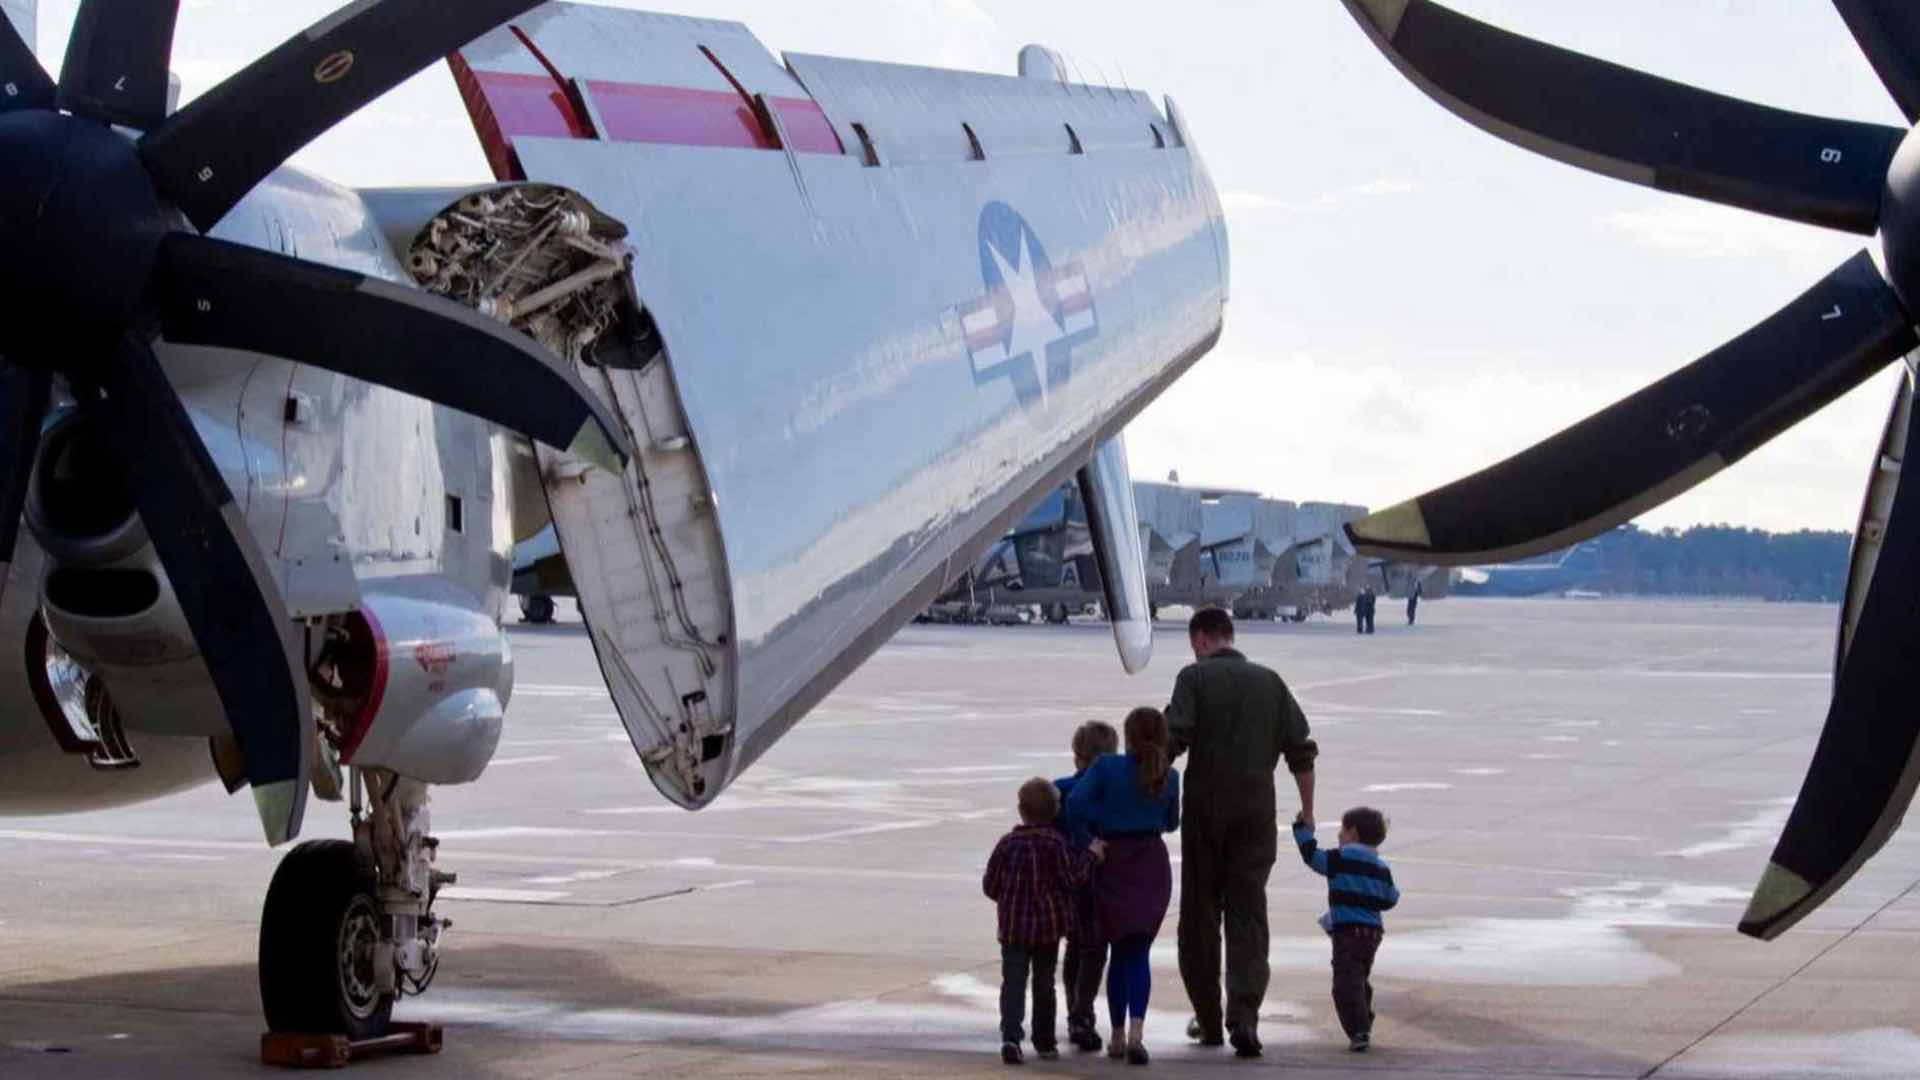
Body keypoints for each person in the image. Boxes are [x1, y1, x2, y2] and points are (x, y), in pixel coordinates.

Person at [1166, 607, 1317, 1059]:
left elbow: (1172, 740)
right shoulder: (1271, 682)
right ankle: (1245, 1017)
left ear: (1201, 639)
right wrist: (1308, 813)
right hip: (1256, 815)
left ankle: (1210, 1021)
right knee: (1248, 916)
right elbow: (1302, 753)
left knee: (1200, 918)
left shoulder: (1193, 679)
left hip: (1205, 816)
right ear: (1231, 637)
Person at [1064, 707, 1180, 1065]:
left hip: (1112, 861)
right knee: (1139, 955)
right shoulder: (1170, 775)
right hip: (1150, 863)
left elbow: (1074, 805)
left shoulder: (1105, 768)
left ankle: (1115, 1036)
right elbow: (1171, 823)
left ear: (1127, 737)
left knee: (1117, 951)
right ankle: (1136, 1034)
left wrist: (1091, 837)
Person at [983, 777, 1096, 1065]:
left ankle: (1011, 1036)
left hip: (1013, 929)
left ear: (1021, 810)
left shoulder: (1007, 844)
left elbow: (990, 885)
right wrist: (1092, 856)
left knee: (1013, 983)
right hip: (1048, 930)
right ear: (1055, 811)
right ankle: (1044, 1040)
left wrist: (1009, 900)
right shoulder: (1056, 844)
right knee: (1044, 984)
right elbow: (1071, 879)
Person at [1292, 807, 1399, 1053]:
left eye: (1342, 830)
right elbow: (1391, 898)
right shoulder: (1380, 868)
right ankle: (1364, 1017)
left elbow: (1312, 857)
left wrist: (1302, 831)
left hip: (1347, 934)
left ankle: (1358, 1029)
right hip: (1372, 935)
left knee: (1344, 984)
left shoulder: (1338, 860)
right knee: (1358, 977)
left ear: (1353, 833)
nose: (1339, 835)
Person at [1055, 720, 1120, 1052]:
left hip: (1069, 881)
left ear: (1076, 754)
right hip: (1103, 881)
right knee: (1095, 949)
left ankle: (1074, 1011)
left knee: (1075, 948)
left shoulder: (1060, 790)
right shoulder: (1115, 793)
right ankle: (1082, 1011)